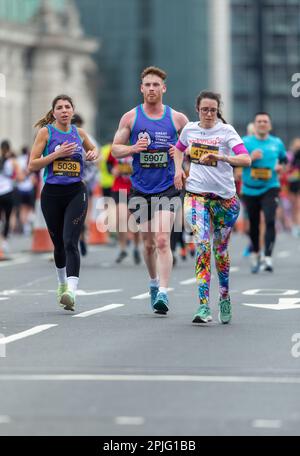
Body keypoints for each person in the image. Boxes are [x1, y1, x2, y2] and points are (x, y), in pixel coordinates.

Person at [112, 66, 188, 314]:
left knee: (163, 239)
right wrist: (134, 148)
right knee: (147, 245)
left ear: (163, 88)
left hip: (167, 188)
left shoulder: (177, 119)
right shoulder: (130, 118)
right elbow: (115, 149)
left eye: (156, 85)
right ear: (141, 88)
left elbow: (191, 148)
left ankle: (164, 293)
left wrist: (179, 162)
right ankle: (154, 283)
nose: (152, 88)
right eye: (148, 85)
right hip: (141, 188)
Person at [172, 90, 251, 324]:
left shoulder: (226, 132)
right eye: (204, 109)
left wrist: (223, 158)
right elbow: (178, 148)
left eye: (213, 110)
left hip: (225, 201)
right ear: (198, 110)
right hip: (196, 195)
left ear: (218, 111)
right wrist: (178, 170)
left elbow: (246, 159)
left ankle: (224, 296)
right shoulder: (190, 129)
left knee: (220, 251)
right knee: (203, 246)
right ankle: (203, 306)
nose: (208, 113)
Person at [28, 94, 98, 311]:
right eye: (60, 107)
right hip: (52, 194)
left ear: (72, 110)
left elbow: (92, 151)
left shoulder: (80, 133)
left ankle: (72, 292)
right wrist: (55, 155)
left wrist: (93, 153)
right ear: (54, 112)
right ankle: (61, 284)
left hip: (76, 192)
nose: (64, 110)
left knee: (70, 241)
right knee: (58, 244)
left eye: (68, 107)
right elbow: (32, 165)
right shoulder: (46, 133)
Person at [241, 112, 287, 273]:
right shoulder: (246, 142)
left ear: (269, 125)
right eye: (259, 121)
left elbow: (284, 160)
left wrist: (281, 167)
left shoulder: (277, 143)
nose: (262, 123)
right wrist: (250, 158)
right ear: (255, 125)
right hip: (249, 189)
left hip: (270, 187)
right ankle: (255, 253)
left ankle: (267, 257)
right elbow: (235, 161)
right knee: (253, 224)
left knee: (269, 220)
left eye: (265, 121)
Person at [107, 150, 141, 264]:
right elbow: (109, 163)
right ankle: (123, 248)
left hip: (135, 188)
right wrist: (112, 170)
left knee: (134, 222)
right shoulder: (116, 146)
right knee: (121, 219)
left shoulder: (140, 144)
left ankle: (136, 247)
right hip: (119, 188)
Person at [0, 140, 22, 252]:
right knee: (8, 218)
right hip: (7, 192)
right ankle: (4, 241)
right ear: (9, 149)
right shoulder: (13, 162)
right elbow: (20, 177)